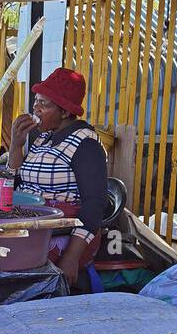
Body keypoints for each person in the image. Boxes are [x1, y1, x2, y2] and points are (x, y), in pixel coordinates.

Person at [7, 67, 108, 288]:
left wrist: (71, 258)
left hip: (65, 235)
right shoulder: (42, 138)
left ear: (64, 112)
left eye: (45, 104)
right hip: (33, 225)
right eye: (36, 101)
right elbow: (16, 183)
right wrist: (16, 145)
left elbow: (95, 205)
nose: (36, 108)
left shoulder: (86, 144)